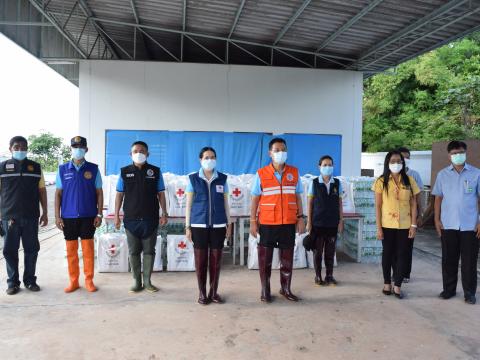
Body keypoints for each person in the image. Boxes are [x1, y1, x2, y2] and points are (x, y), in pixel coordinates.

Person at [250, 138, 306, 303]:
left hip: (288, 223)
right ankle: (265, 290)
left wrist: (301, 218)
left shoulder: (294, 173)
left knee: (287, 260)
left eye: (283, 150)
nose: (280, 153)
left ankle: (286, 288)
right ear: (270, 153)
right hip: (267, 223)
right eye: (276, 150)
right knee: (265, 261)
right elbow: (254, 199)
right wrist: (253, 221)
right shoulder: (261, 174)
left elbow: (298, 197)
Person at [114, 141, 168, 293]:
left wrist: (164, 213)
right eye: (136, 151)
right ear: (130, 154)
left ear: (148, 154)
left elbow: (161, 194)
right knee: (133, 252)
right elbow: (119, 195)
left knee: (149, 251)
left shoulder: (155, 171)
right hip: (131, 220)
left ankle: (148, 281)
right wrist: (117, 215)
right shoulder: (124, 172)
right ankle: (137, 282)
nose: (139, 153)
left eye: (142, 151)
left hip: (150, 219)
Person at [432, 141, 480, 305]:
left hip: (470, 225)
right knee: (448, 259)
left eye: (460, 152)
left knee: (469, 261)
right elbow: (438, 198)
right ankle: (449, 290)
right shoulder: (442, 175)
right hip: (448, 224)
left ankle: (469, 293)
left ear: (466, 153)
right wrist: (437, 220)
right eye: (454, 153)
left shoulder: (476, 173)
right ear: (449, 155)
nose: (457, 155)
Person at [55, 136, 103, 293]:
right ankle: (73, 281)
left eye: (81, 146)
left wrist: (99, 214)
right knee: (71, 252)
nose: (78, 149)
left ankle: (89, 280)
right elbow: (58, 194)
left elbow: (99, 193)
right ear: (71, 149)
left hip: (88, 216)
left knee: (88, 251)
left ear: (86, 149)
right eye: (75, 146)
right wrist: (57, 216)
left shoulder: (93, 169)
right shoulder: (62, 170)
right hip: (68, 217)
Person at [0, 136, 48, 295]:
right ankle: (13, 283)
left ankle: (29, 280)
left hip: (31, 216)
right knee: (10, 251)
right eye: (16, 147)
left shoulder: (35, 167)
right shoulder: (2, 167)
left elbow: (42, 191)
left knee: (31, 249)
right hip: (9, 217)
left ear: (27, 149)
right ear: (10, 149)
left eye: (23, 147)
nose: (20, 150)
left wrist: (45, 213)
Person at [185, 147, 232, 305]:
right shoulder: (193, 179)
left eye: (212, 157)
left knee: (216, 260)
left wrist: (229, 223)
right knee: (201, 260)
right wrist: (187, 226)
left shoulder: (222, 179)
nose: (209, 160)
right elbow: (188, 205)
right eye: (206, 157)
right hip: (198, 224)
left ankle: (213, 292)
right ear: (200, 160)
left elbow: (226, 203)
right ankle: (202, 293)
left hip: (218, 224)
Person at [372, 150, 420, 299]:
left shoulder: (410, 180)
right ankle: (387, 283)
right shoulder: (381, 181)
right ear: (387, 163)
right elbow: (378, 206)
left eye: (399, 161)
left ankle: (398, 285)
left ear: (403, 163)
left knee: (402, 255)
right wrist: (378, 228)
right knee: (387, 254)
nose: (396, 164)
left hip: (405, 225)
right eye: (393, 161)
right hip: (387, 225)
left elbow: (413, 205)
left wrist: (413, 225)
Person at [306, 155, 344, 286]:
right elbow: (310, 203)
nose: (328, 167)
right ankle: (318, 276)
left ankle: (329, 275)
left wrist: (341, 221)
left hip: (332, 224)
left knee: (330, 252)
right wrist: (309, 222)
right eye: (325, 165)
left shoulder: (337, 183)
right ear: (319, 167)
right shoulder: (314, 182)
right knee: (318, 252)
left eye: (330, 165)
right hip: (318, 224)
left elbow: (340, 203)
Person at [398, 147, 424, 283]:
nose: (405, 160)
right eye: (402, 157)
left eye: (407, 157)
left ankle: (405, 274)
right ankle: (396, 273)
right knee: (395, 248)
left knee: (407, 247)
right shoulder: (390, 175)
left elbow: (419, 198)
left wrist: (420, 215)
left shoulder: (415, 175)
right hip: (395, 219)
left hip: (410, 218)